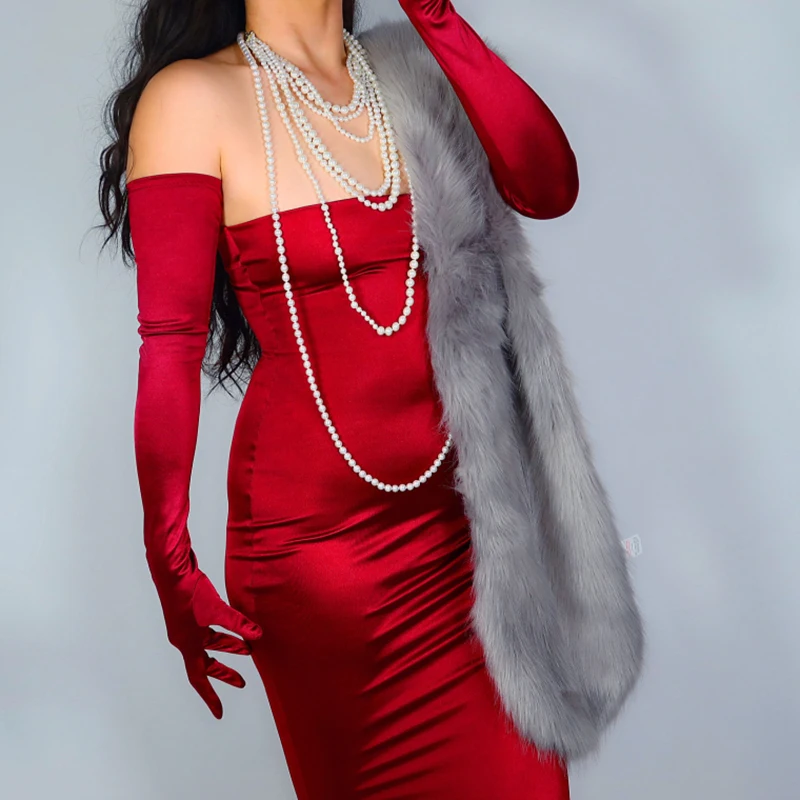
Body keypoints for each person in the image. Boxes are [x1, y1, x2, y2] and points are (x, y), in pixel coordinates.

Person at [97, 1, 599, 797]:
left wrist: (436, 17)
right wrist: (170, 559)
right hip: (321, 558)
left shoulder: (409, 75)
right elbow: (170, 346)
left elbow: (549, 184)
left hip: (471, 537)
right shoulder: (191, 99)